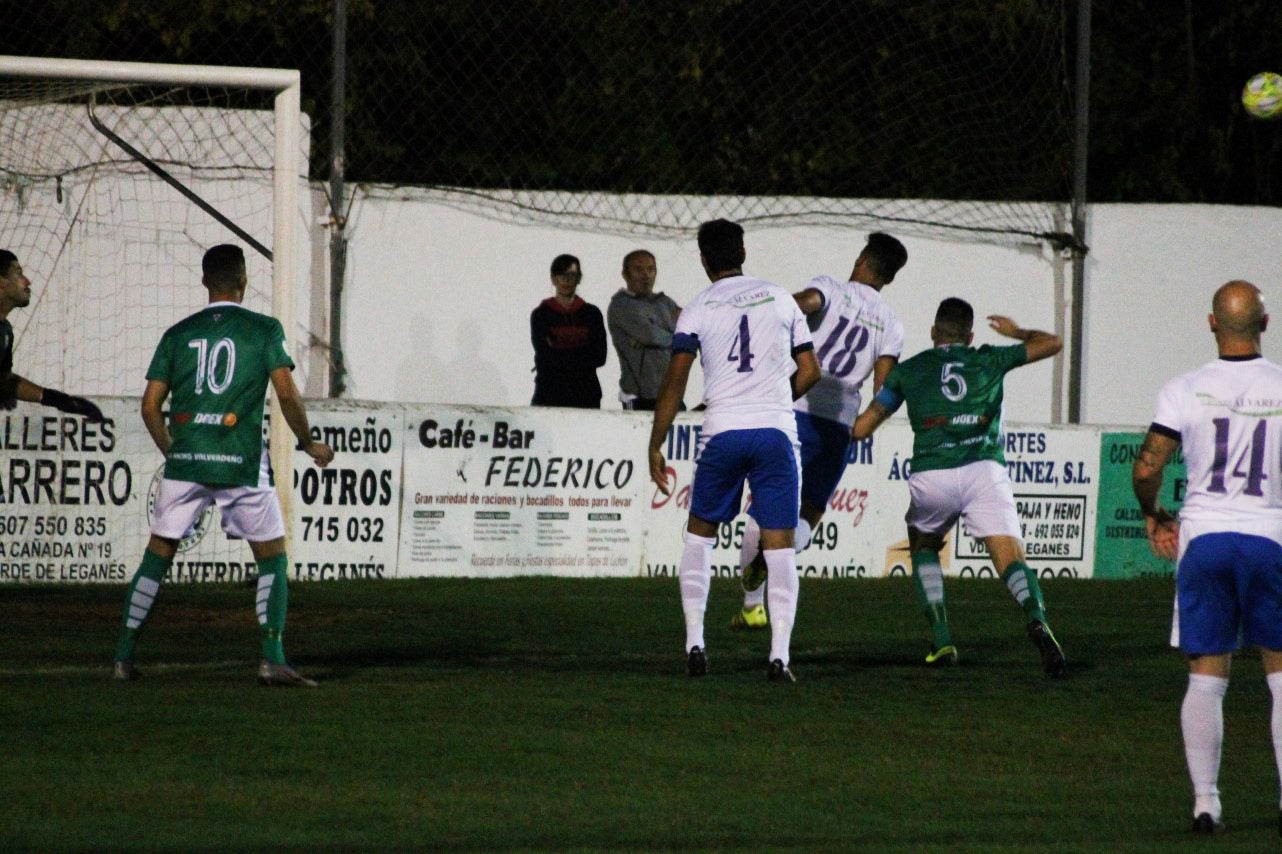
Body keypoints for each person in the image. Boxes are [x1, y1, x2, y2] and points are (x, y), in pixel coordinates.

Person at [112, 244, 335, 687]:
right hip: (239, 461)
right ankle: (272, 659)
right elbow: (286, 393)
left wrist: (175, 452)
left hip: (187, 461)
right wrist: (308, 442)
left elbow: (150, 406)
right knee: (272, 557)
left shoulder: (177, 334)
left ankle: (122, 658)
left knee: (158, 554)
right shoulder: (264, 329)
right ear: (244, 280)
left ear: (204, 281)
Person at [1132, 279, 1282, 836]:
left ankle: (1206, 804)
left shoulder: (1184, 389)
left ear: (1212, 323)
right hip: (1271, 536)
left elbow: (1148, 466)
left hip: (1205, 539)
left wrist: (1154, 513)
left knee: (1206, 675)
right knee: (1280, 674)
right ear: (1264, 324)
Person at [852, 297, 1067, 676]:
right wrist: (1017, 332)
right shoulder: (990, 358)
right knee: (1010, 558)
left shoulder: (909, 370)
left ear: (933, 332)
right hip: (983, 469)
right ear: (969, 337)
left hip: (933, 474)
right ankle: (1036, 618)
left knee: (923, 546)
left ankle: (942, 639)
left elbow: (862, 428)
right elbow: (1053, 343)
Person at [648, 219, 820, 682]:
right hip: (775, 434)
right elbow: (810, 369)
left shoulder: (697, 308)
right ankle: (779, 657)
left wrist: (656, 442)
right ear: (742, 251)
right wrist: (775, 398)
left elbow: (675, 381)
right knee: (779, 549)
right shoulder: (780, 297)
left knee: (699, 538)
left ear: (704, 260)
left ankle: (695, 644)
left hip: (722, 431)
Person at [733, 232, 908, 630]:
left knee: (763, 507)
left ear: (861, 259)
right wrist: (867, 423)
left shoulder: (831, 288)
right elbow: (886, 387)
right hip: (839, 426)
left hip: (795, 411)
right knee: (810, 511)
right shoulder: (891, 323)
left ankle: (752, 605)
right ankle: (776, 558)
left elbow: (802, 303)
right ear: (890, 277)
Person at [0, 250, 105, 422]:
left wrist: (60, 400)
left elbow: (5, 380)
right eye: (19, 273)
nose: (27, 281)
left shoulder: (5, 330)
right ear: (1, 282)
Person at [607, 249, 682, 410]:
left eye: (650, 269)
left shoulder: (666, 302)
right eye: (638, 269)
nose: (646, 275)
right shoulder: (621, 304)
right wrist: (671, 336)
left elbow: (689, 332)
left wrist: (658, 338)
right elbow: (650, 335)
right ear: (625, 274)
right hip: (640, 396)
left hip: (671, 392)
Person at [530, 253, 608, 408]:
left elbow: (599, 356)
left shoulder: (592, 313)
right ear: (553, 279)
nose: (566, 280)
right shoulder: (541, 314)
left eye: (571, 275)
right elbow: (545, 356)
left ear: (579, 278)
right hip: (550, 392)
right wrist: (582, 351)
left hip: (586, 393)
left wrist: (558, 348)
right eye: (561, 275)